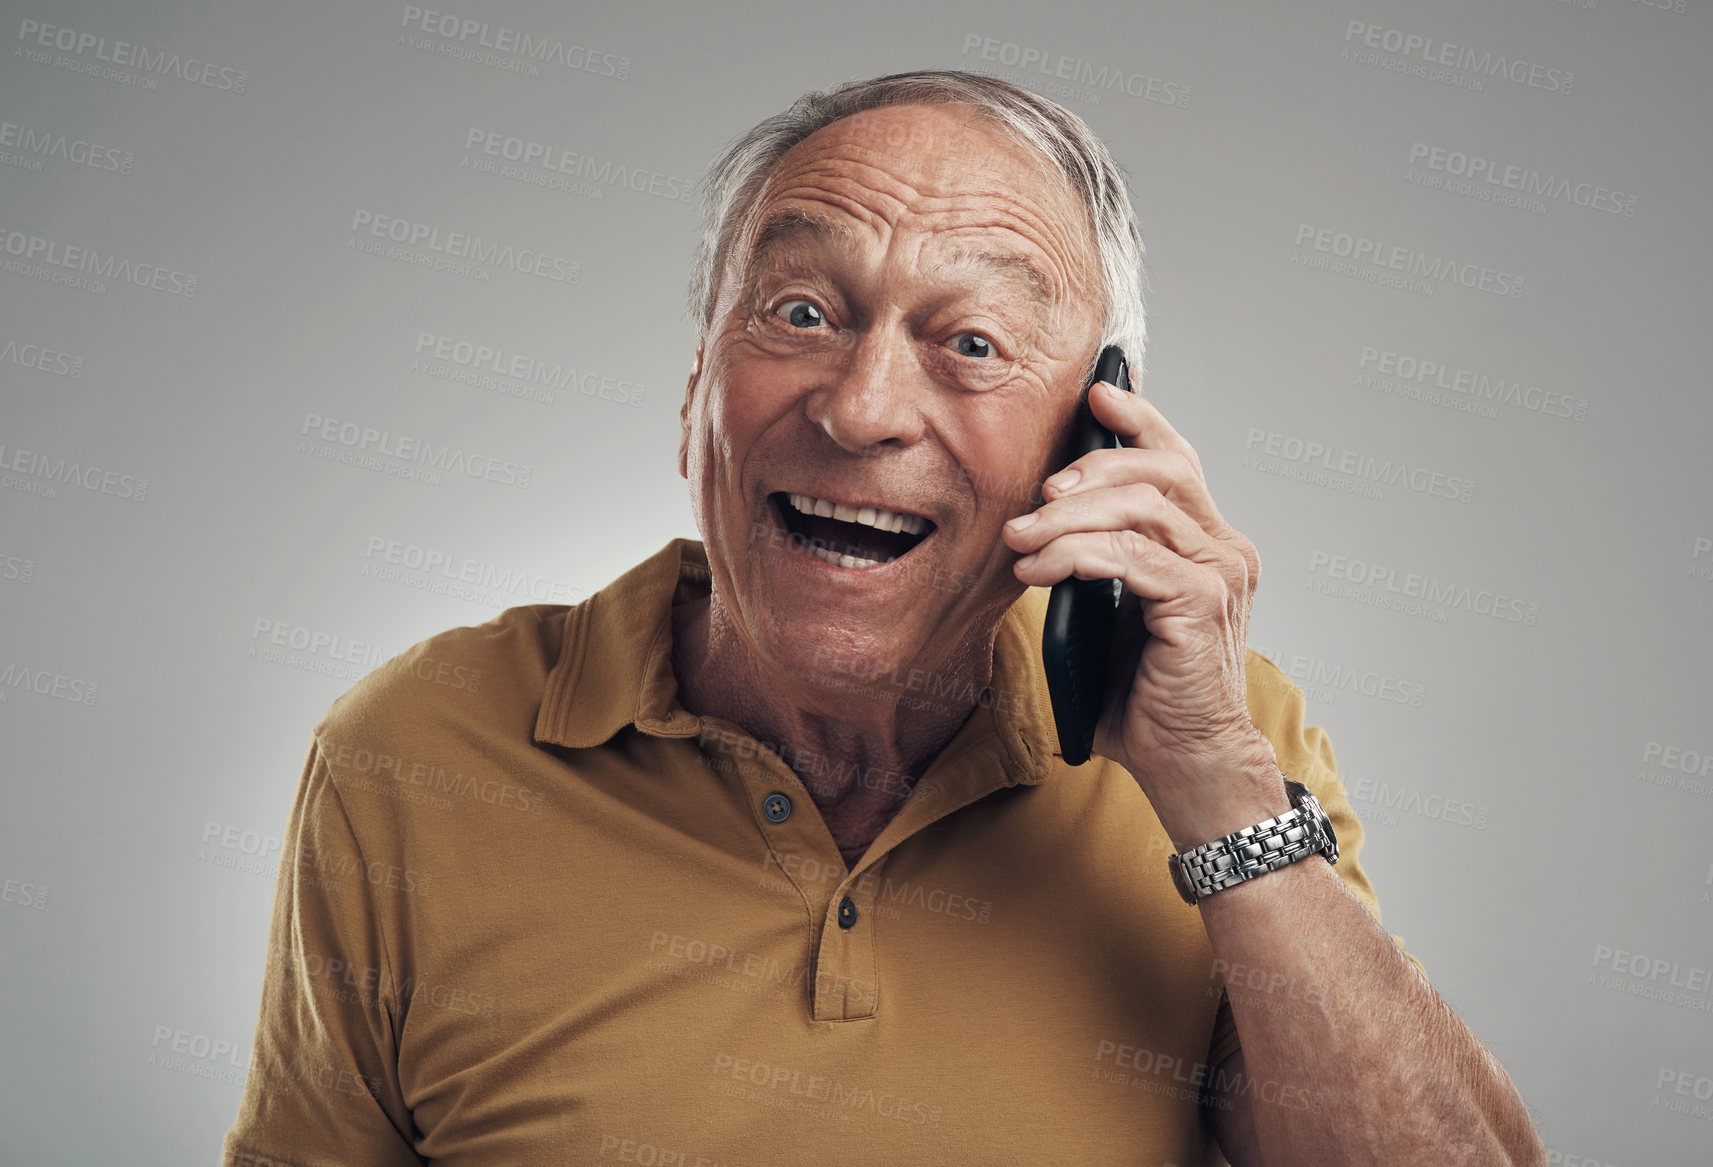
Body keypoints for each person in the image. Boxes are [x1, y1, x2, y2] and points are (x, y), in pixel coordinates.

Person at [222, 70, 1545, 1166]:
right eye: (799, 312)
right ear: (698, 390)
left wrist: (1212, 788)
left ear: (1091, 434)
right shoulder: (422, 745)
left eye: (968, 343)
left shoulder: (1229, 749)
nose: (860, 409)